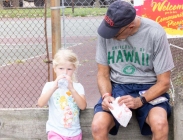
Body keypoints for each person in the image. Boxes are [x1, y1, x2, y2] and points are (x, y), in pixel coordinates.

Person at [91, 1, 174, 140]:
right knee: (97, 127)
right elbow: (103, 74)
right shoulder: (106, 31)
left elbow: (164, 82)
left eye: (115, 34)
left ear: (130, 27)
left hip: (149, 87)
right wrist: (106, 96)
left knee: (160, 125)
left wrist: (140, 100)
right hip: (118, 86)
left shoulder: (155, 32)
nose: (110, 36)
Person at [37, 49, 87, 140]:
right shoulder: (49, 86)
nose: (65, 72)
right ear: (55, 68)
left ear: (74, 69)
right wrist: (53, 87)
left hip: (74, 133)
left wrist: (72, 89)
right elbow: (40, 103)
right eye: (61, 68)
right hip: (55, 131)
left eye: (69, 69)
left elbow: (83, 106)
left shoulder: (78, 87)